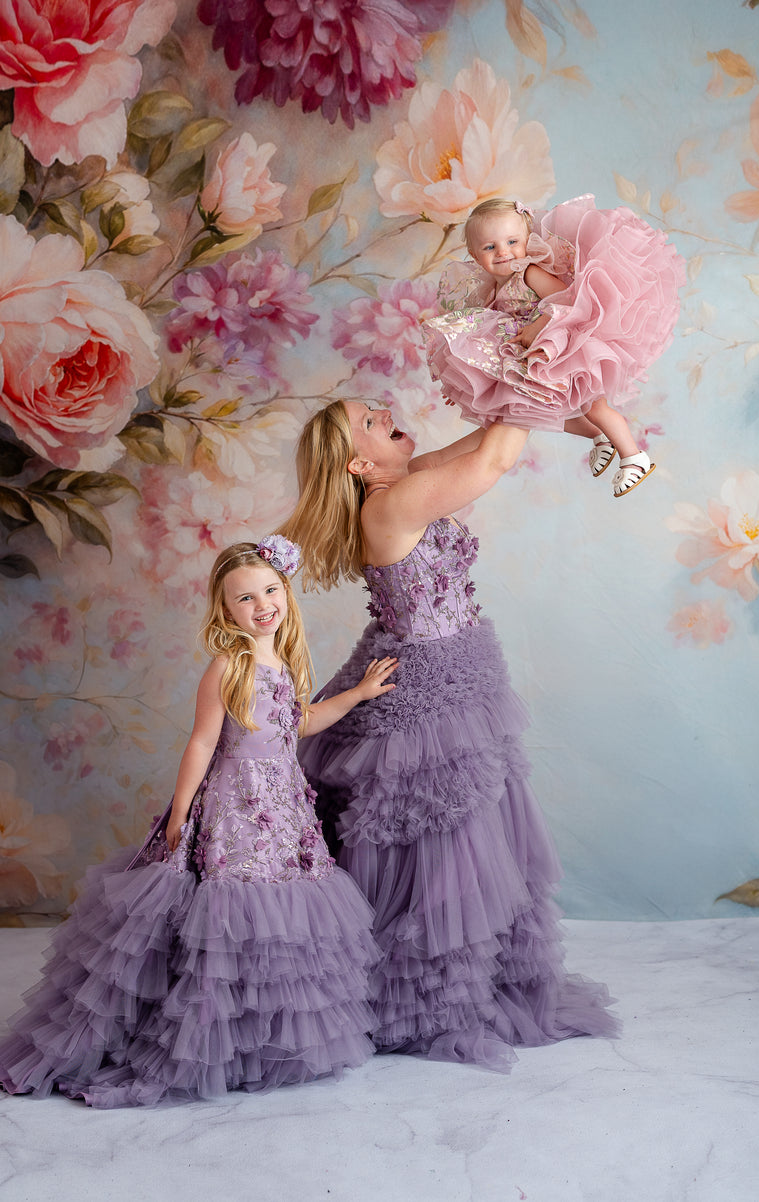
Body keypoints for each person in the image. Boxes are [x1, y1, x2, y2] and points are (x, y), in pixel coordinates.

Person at [0, 535, 398, 1108]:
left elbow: (299, 724)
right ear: (225, 610)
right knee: (228, 916)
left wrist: (358, 694)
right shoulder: (229, 666)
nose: (262, 605)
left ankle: (259, 1040)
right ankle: (206, 1040)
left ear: (284, 592)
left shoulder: (281, 663)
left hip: (282, 808)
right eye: (244, 599)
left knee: (279, 918)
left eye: (269, 590)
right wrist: (183, 808)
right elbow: (203, 740)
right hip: (236, 808)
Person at [281, 402, 619, 1072]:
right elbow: (495, 459)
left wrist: (558, 395)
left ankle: (467, 979)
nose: (386, 411)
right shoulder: (387, 507)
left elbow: (489, 436)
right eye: (370, 421)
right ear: (358, 463)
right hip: (430, 687)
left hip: (462, 671)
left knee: (478, 834)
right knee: (445, 844)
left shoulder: (407, 480)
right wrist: (535, 365)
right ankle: (425, 1001)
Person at [421, 194, 685, 497]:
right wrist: (463, 381)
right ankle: (601, 437)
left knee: (593, 406)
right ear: (473, 253)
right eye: (490, 247)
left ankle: (634, 458)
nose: (503, 252)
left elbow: (567, 299)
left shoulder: (528, 273)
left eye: (512, 242)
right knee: (546, 410)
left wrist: (537, 325)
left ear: (527, 241)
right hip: (535, 357)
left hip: (566, 346)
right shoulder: (492, 288)